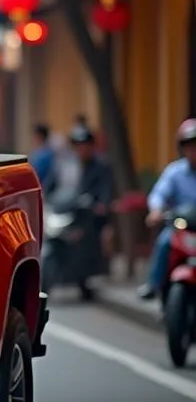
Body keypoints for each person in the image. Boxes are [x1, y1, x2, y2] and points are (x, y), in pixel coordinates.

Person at [137, 118, 196, 300]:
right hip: (182, 228)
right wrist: (156, 210)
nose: (193, 150)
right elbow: (158, 194)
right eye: (189, 145)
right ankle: (154, 284)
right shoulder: (174, 172)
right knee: (164, 242)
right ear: (182, 148)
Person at [64, 124, 115, 301]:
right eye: (78, 145)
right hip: (69, 211)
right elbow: (55, 184)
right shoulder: (68, 166)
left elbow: (106, 189)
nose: (81, 149)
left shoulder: (101, 166)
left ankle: (95, 270)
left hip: (91, 215)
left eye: (85, 145)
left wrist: (102, 203)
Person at [29, 123, 56, 192]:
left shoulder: (45, 154)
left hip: (41, 188)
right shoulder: (38, 151)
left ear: (40, 135)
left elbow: (36, 173)